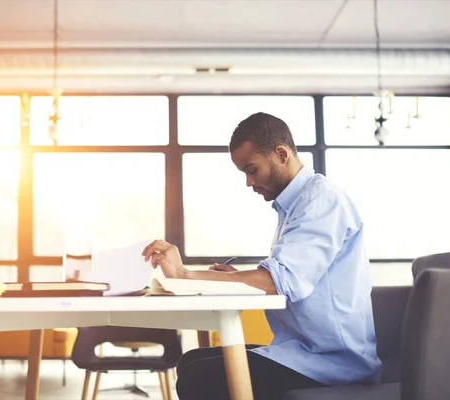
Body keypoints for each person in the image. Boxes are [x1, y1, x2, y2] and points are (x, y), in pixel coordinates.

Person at [142, 112, 381, 400]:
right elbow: (284, 276)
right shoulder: (295, 205)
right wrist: (235, 280)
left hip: (333, 362)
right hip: (302, 350)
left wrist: (184, 275)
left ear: (281, 153)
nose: (248, 182)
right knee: (191, 361)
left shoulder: (320, 201)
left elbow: (278, 281)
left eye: (252, 169)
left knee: (199, 377)